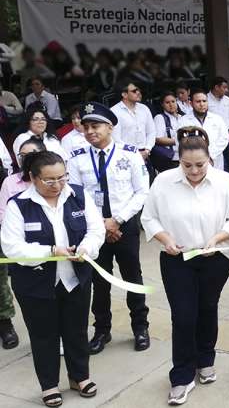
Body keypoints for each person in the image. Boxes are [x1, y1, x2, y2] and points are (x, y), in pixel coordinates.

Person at [142, 127, 229, 405]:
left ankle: (205, 359)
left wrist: (217, 238)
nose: (194, 170)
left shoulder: (224, 182)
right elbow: (149, 218)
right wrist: (166, 239)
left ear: (209, 158)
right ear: (178, 160)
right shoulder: (164, 181)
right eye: (187, 165)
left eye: (200, 164)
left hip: (216, 257)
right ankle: (181, 376)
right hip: (178, 258)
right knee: (183, 315)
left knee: (207, 308)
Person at [1, 150, 105, 407]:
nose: (57, 185)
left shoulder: (78, 196)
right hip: (35, 285)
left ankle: (79, 377)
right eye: (49, 180)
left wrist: (86, 248)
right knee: (43, 335)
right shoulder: (18, 205)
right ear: (33, 178)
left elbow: (95, 230)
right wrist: (49, 252)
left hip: (75, 279)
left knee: (77, 331)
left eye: (62, 178)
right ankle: (48, 385)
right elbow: (12, 247)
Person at [66, 102, 151, 354]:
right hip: (94, 231)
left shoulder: (129, 153)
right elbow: (76, 195)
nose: (90, 131)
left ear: (110, 127)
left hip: (125, 227)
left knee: (132, 277)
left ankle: (140, 327)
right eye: (86, 126)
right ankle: (102, 330)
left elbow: (142, 191)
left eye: (96, 126)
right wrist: (102, 225)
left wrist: (118, 220)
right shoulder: (77, 157)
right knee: (99, 282)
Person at [0, 138, 45, 351]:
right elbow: (3, 216)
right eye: (23, 156)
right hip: (15, 241)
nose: (27, 159)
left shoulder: (50, 180)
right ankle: (6, 323)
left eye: (32, 154)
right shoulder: (10, 184)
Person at [110, 79, 156, 167]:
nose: (138, 92)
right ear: (124, 94)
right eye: (134, 91)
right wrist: (135, 153)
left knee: (150, 180)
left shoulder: (144, 108)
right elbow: (116, 139)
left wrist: (147, 150)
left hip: (145, 155)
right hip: (124, 157)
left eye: (138, 90)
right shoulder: (114, 111)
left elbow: (151, 132)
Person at [181, 90, 229, 170]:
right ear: (191, 103)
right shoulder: (183, 121)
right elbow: (181, 141)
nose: (201, 104)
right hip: (193, 162)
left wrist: (210, 155)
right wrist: (200, 156)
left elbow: (224, 138)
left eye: (204, 101)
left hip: (215, 160)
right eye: (198, 101)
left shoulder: (217, 119)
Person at [152, 92, 185, 172]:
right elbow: (158, 139)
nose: (171, 104)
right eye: (167, 102)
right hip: (170, 159)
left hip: (185, 157)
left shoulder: (184, 117)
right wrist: (180, 141)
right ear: (162, 104)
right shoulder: (160, 118)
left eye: (173, 101)